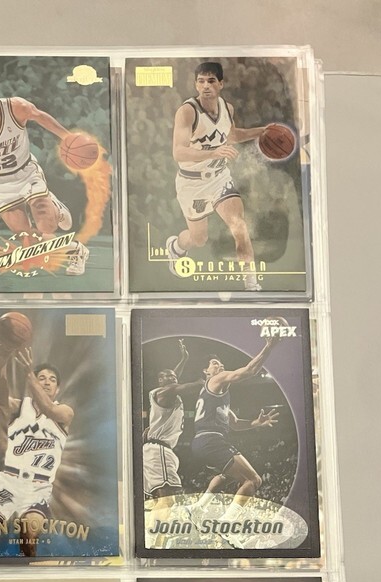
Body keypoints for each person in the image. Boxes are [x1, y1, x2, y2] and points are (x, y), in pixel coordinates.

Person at [0, 72, 90, 276]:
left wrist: (68, 137)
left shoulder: (16, 107)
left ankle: (54, 208)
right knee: (31, 243)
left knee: (47, 225)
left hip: (26, 173)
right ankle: (77, 249)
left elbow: (41, 117)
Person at [165, 61, 269, 291]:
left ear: (221, 84)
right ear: (195, 84)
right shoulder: (187, 112)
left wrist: (262, 131)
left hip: (219, 178)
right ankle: (176, 247)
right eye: (201, 81)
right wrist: (213, 152)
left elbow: (232, 136)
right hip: (192, 182)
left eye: (211, 81)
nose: (206, 86)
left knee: (239, 226)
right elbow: (178, 152)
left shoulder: (227, 108)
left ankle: (251, 285)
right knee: (199, 239)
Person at [0, 345, 72, 557]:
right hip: (9, 482)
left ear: (58, 389)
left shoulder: (65, 412)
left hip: (38, 488)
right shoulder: (19, 407)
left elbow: (50, 409)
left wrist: (29, 373)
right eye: (42, 378)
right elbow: (0, 397)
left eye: (52, 379)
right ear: (33, 383)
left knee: (28, 538)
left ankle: (30, 571)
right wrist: (1, 366)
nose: (47, 382)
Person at [190, 334, 280, 541]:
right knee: (253, 480)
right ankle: (226, 525)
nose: (220, 365)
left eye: (220, 362)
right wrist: (269, 346)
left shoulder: (214, 394)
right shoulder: (216, 380)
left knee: (225, 476)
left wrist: (256, 423)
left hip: (202, 442)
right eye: (214, 363)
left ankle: (198, 507)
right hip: (212, 440)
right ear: (206, 371)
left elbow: (235, 423)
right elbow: (249, 371)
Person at [143, 339, 203, 505]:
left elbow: (175, 380)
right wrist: (206, 382)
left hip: (156, 449)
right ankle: (160, 523)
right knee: (167, 500)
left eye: (174, 376)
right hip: (159, 449)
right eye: (168, 376)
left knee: (161, 501)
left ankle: (156, 523)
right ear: (160, 380)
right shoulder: (166, 391)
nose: (173, 378)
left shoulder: (165, 391)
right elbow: (185, 386)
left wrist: (184, 359)